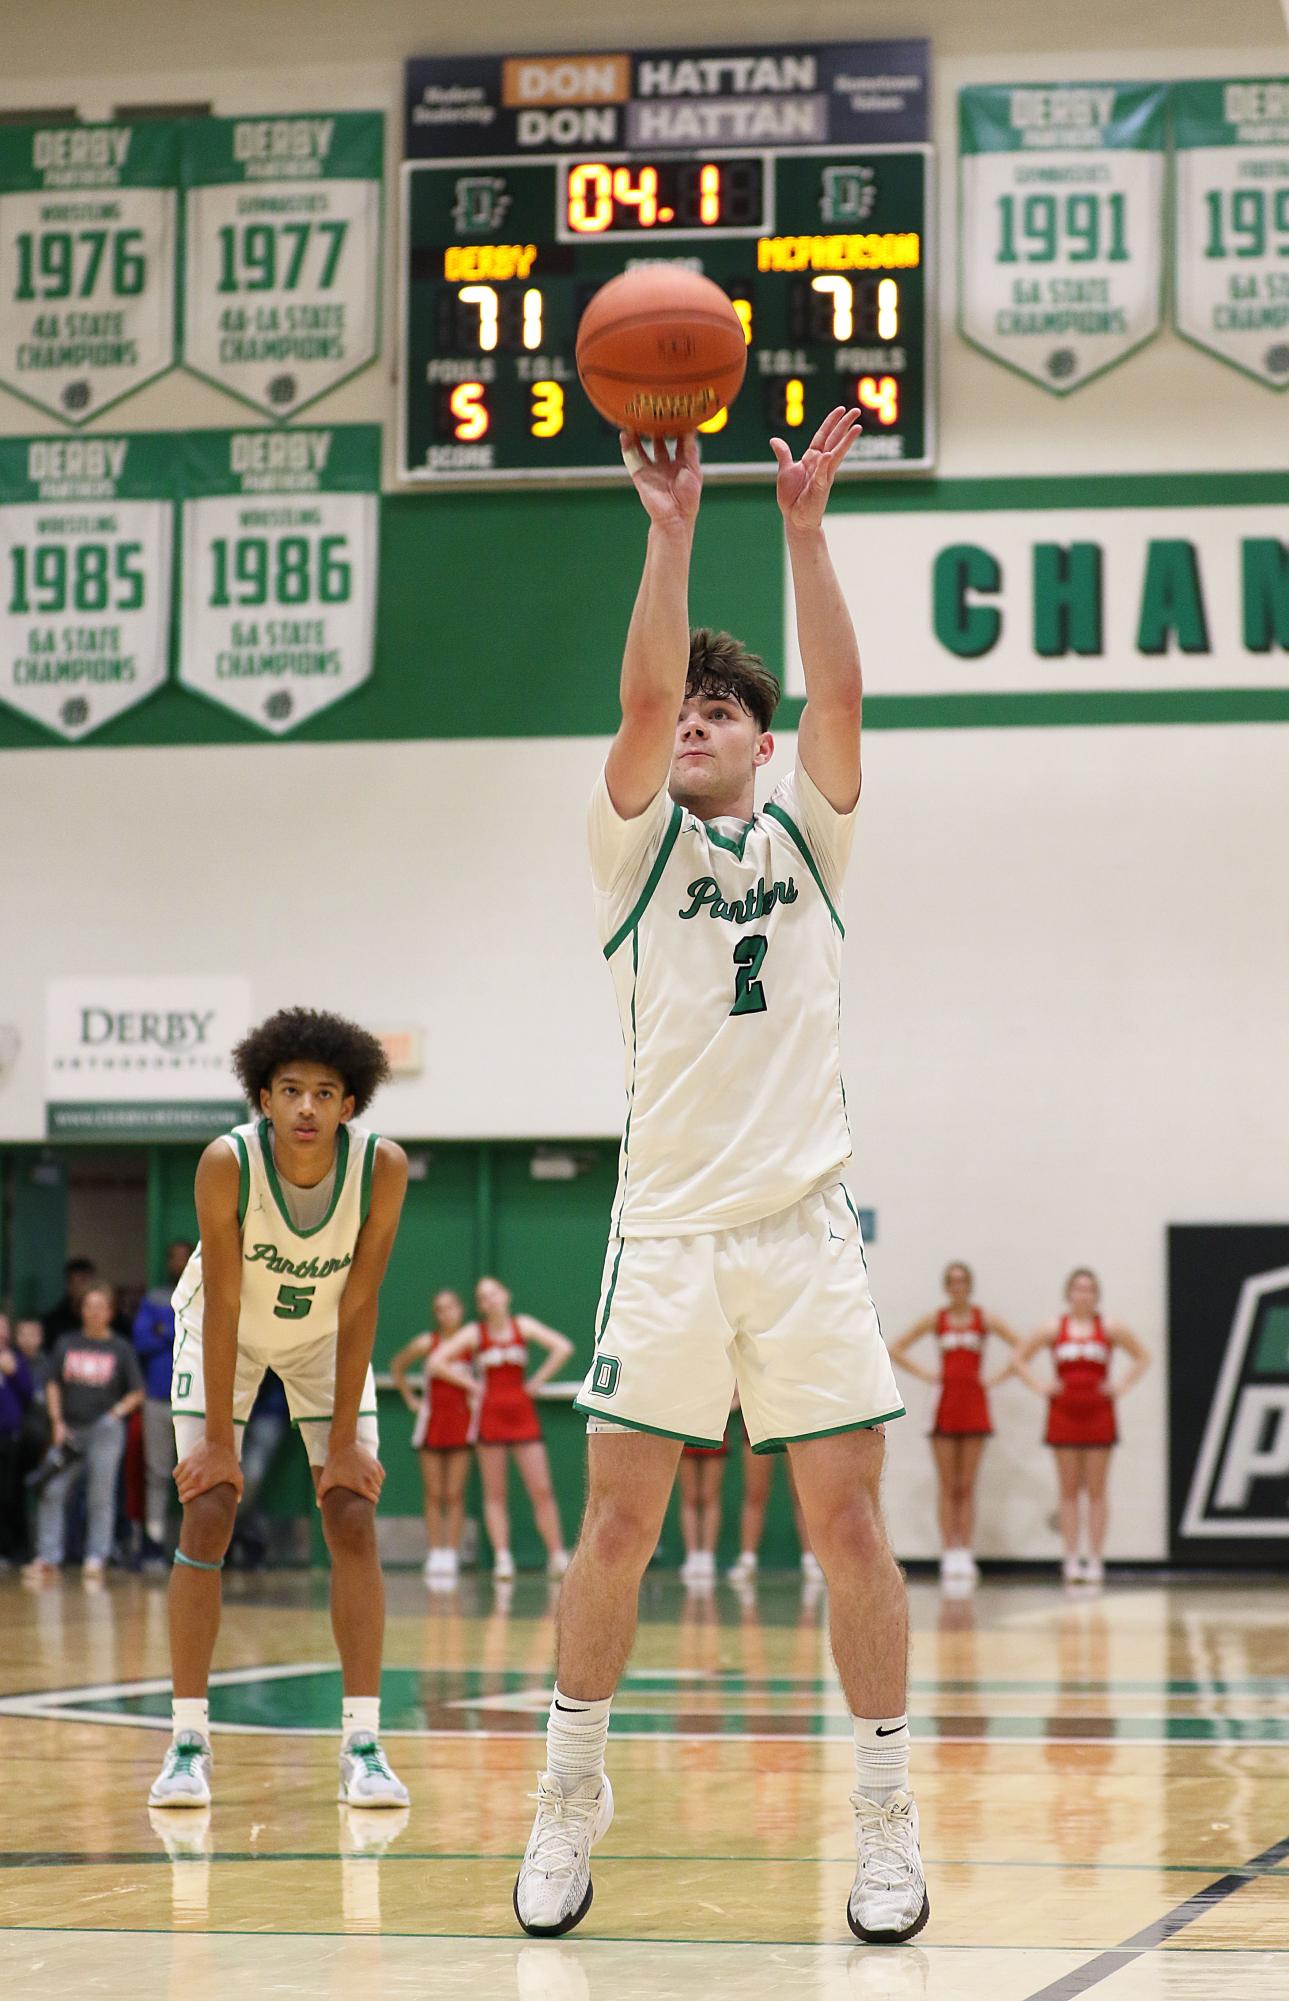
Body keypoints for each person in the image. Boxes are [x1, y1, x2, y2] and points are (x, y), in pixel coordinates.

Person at [512, 410, 926, 1946]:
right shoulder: (632, 856)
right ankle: (570, 1800)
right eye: (682, 706)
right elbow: (632, 694)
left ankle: (884, 1825)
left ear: (759, 741)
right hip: (669, 1234)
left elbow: (848, 696)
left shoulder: (814, 845)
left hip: (804, 1234)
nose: (689, 719)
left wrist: (805, 531)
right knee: (612, 1530)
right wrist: (670, 528)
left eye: (716, 711)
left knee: (851, 1532)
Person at [147, 1006, 411, 1811]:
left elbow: (361, 1302)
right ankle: (187, 1739)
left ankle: (363, 1740)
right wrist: (220, 1443)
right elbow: (223, 1300)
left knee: (351, 1511)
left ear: (348, 1105)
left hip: (324, 1338)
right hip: (223, 1331)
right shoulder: (227, 1163)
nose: (306, 1107)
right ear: (262, 1097)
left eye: (324, 1093)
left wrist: (340, 1446)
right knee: (209, 1507)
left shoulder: (382, 1167)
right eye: (290, 1090)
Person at [1015, 1267, 1151, 1585]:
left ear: (1096, 1294)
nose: (1083, 1294)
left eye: (1089, 1289)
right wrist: (1041, 1387)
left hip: (1099, 1413)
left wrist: (1121, 1386)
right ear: (1068, 1293)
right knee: (1068, 1490)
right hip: (1063, 1413)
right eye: (1078, 1288)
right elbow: (1019, 1358)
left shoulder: (1111, 1326)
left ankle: (1096, 1559)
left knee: (1097, 1490)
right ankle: (1071, 1558)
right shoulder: (1053, 1327)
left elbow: (1142, 1356)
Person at [888, 1261, 1021, 1583]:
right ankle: (949, 1552)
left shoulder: (984, 1319)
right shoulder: (937, 1319)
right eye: (952, 1281)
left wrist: (997, 1378)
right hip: (945, 1404)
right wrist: (928, 1375)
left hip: (974, 1403)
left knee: (967, 1484)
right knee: (947, 1484)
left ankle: (965, 1551)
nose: (957, 1286)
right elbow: (896, 1347)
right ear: (946, 1286)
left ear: (969, 1285)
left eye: (962, 1281)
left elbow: (1022, 1348)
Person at [432, 1276, 573, 1580]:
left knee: (542, 1488)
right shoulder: (474, 1333)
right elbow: (437, 1362)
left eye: (494, 1293)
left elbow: (562, 1347)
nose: (490, 1300)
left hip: (523, 1413)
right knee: (495, 1493)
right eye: (483, 1297)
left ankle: (557, 1555)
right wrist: (471, 1384)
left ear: (506, 1295)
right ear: (480, 1306)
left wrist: (537, 1382)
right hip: (490, 1416)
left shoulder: (523, 1326)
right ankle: (503, 1558)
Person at [24, 1283, 144, 1579]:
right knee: (53, 1489)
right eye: (88, 1306)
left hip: (105, 1430)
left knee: (100, 1494)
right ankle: (49, 1555)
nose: (93, 1312)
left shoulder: (120, 1348)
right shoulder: (67, 1342)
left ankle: (96, 1556)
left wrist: (115, 1413)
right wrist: (57, 1421)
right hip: (69, 1429)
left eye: (100, 1307)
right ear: (82, 1311)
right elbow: (53, 1382)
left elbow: (137, 1391)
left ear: (110, 1312)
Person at [390, 1287, 476, 1583]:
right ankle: (435, 1551)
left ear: (461, 1309)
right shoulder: (428, 1342)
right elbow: (397, 1365)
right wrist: (410, 1398)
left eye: (451, 1306)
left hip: (462, 1422)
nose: (446, 1313)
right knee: (434, 1492)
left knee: (454, 1493)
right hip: (432, 1421)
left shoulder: (472, 1343)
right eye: (440, 1308)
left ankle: (451, 1552)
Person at [133, 1239, 196, 1561]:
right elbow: (142, 1340)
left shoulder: (206, 1293)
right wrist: (176, 1329)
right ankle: (154, 1540)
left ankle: (194, 1543)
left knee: (196, 1475)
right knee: (157, 1472)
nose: (180, 1264)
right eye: (175, 1258)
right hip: (158, 1398)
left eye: (186, 1258)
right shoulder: (154, 1298)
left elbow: (204, 1337)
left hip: (196, 1401)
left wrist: (165, 1329)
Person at [726, 1421, 821, 1586]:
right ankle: (747, 1559)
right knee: (755, 1493)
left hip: (793, 1418)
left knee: (801, 1494)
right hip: (759, 1419)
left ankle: (810, 1559)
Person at [0, 1314, 35, 1566]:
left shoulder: (15, 1358)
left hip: (10, 1437)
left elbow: (28, 1394)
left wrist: (12, 1373)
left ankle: (16, 1549)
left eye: (3, 1329)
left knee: (11, 1493)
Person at [677, 1427, 726, 1586]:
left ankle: (707, 1556)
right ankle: (692, 1555)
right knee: (689, 1496)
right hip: (685, 1425)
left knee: (710, 1495)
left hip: (714, 1425)